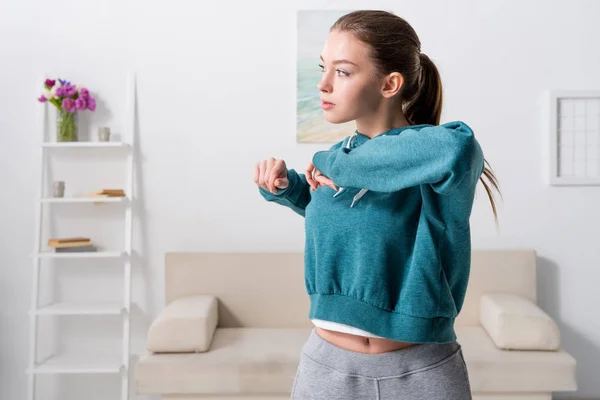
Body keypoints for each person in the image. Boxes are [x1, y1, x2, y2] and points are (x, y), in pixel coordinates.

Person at [254, 9, 501, 400]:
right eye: (323, 68)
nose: (322, 85)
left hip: (421, 371)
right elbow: (358, 219)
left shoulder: (436, 156)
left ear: (390, 84)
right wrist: (290, 190)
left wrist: (325, 162)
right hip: (326, 369)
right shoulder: (345, 156)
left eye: (342, 71)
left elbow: (459, 146)